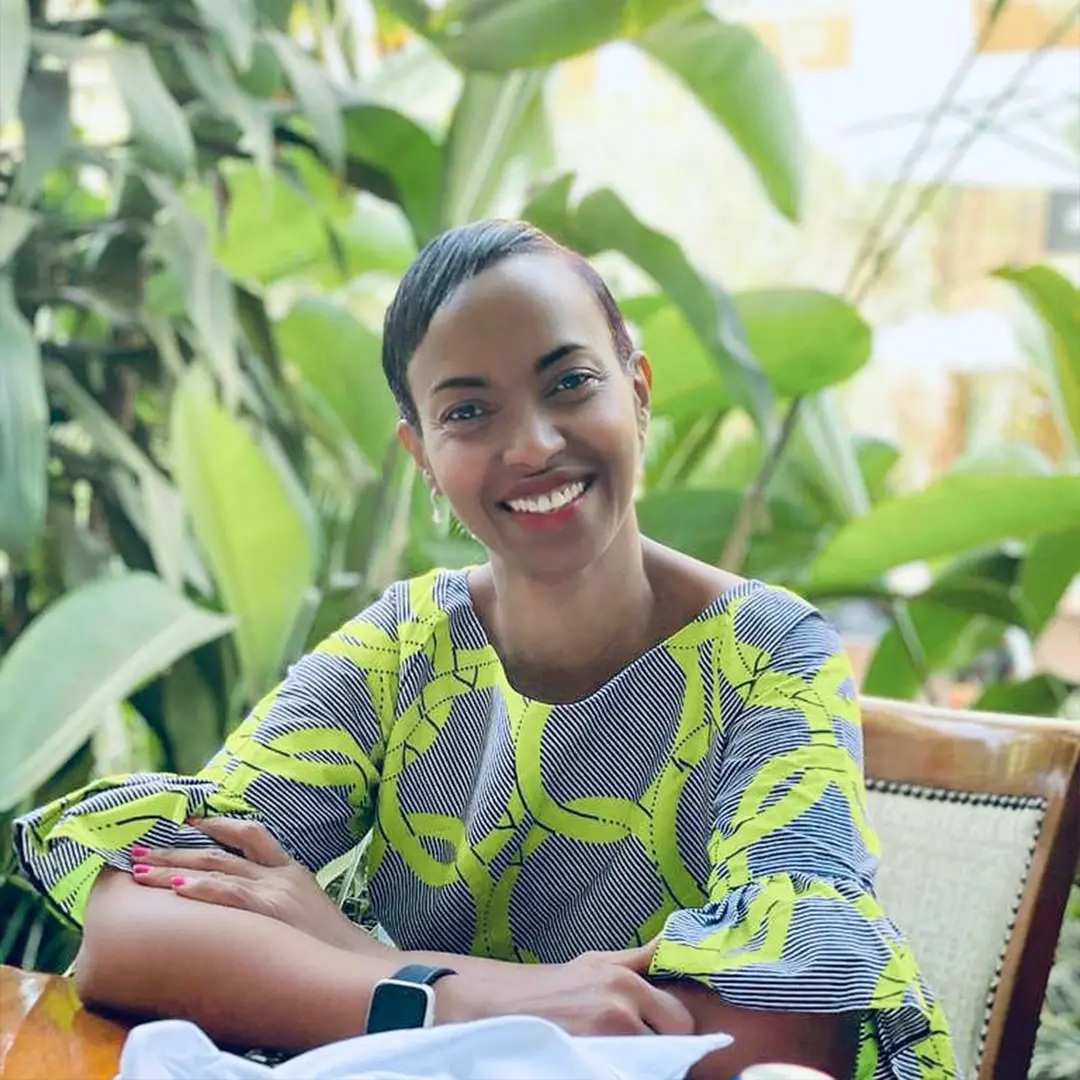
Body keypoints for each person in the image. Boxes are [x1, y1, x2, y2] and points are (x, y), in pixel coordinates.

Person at [13, 221, 957, 1080]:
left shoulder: (766, 654)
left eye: (569, 383)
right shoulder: (404, 646)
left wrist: (357, 958)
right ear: (420, 453)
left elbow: (787, 1041)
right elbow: (134, 930)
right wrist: (460, 999)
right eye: (469, 412)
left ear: (636, 388)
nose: (535, 443)